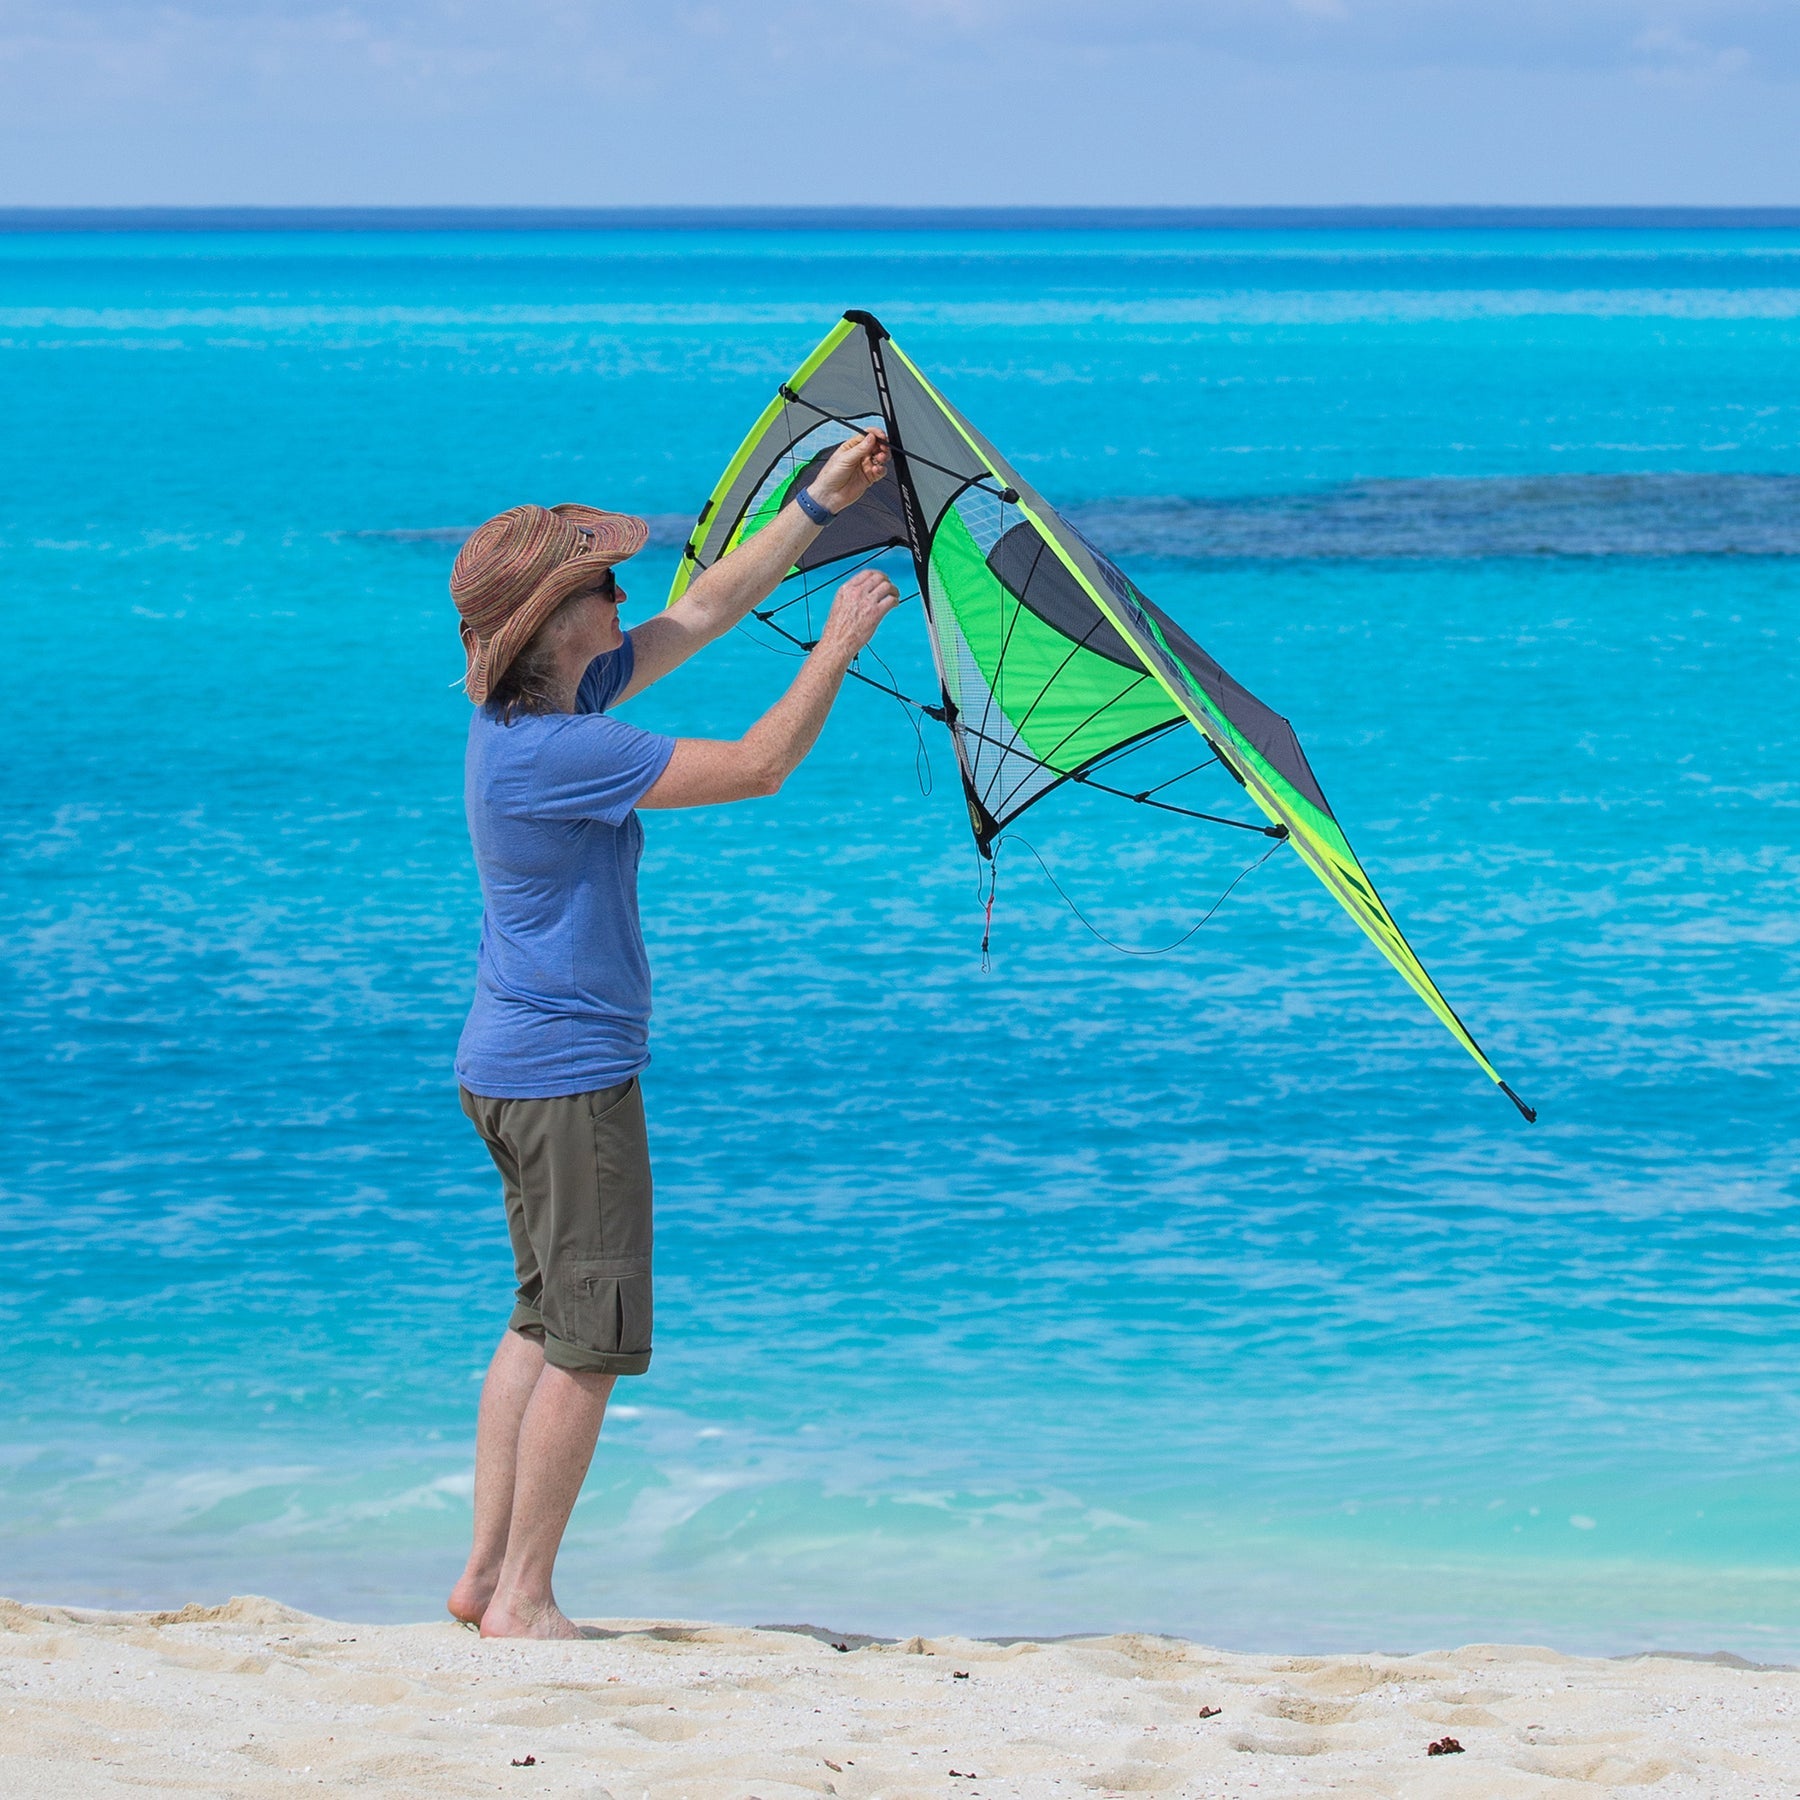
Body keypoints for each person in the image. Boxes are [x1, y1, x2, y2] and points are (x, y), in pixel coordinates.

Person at [444, 430, 897, 1639]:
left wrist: (816, 505)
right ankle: (525, 1599)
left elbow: (702, 611)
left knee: (539, 1319)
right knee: (589, 1342)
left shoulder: (540, 710)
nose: (623, 594)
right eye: (603, 584)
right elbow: (757, 765)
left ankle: (483, 1576)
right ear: (554, 623)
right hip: (566, 1079)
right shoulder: (559, 752)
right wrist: (839, 645)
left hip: (507, 1067)